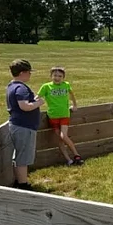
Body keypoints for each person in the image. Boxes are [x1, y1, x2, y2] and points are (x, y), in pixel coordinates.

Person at [6, 59, 45, 190]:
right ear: (22, 73)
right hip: (24, 127)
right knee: (23, 156)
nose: (30, 75)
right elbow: (24, 106)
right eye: (29, 72)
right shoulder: (20, 88)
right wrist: (39, 103)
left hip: (18, 125)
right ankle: (23, 185)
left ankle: (19, 180)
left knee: (19, 154)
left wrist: (33, 100)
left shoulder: (12, 86)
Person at [38, 66, 83, 166]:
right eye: (55, 75)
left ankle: (77, 155)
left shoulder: (66, 85)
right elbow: (38, 96)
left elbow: (72, 94)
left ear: (63, 77)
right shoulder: (46, 86)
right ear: (51, 76)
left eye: (60, 76)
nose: (57, 78)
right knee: (60, 139)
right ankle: (68, 160)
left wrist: (75, 105)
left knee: (63, 136)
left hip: (64, 114)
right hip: (53, 115)